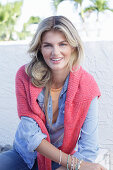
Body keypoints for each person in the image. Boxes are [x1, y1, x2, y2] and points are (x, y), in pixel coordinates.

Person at [0, 16, 107, 170]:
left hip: (62, 159)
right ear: (40, 48)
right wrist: (74, 164)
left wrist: (68, 166)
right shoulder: (24, 76)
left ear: (73, 47)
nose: (55, 52)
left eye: (62, 44)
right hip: (24, 154)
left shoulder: (87, 87)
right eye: (48, 45)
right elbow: (31, 135)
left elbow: (89, 148)